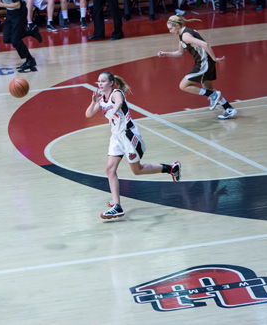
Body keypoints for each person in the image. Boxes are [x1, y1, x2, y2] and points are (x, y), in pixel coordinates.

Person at [85, 71, 181, 219]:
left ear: (111, 82)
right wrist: (93, 102)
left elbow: (119, 103)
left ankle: (171, 168)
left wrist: (113, 113)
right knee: (109, 170)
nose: (100, 84)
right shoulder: (101, 99)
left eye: (103, 81)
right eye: (98, 82)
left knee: (137, 170)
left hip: (129, 135)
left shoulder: (116, 93)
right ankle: (117, 207)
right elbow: (88, 115)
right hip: (116, 138)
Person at [157, 15, 237, 119]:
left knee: (183, 85)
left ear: (177, 26)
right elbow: (180, 53)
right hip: (206, 62)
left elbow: (205, 44)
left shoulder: (185, 36)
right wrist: (165, 54)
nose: (170, 31)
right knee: (208, 88)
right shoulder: (182, 35)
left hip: (204, 62)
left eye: (171, 29)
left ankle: (212, 95)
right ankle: (229, 109)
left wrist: (214, 58)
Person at [0, 0, 43, 70]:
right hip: (10, 13)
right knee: (7, 39)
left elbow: (17, 5)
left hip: (19, 13)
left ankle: (30, 60)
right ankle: (31, 32)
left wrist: (1, 5)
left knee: (15, 41)